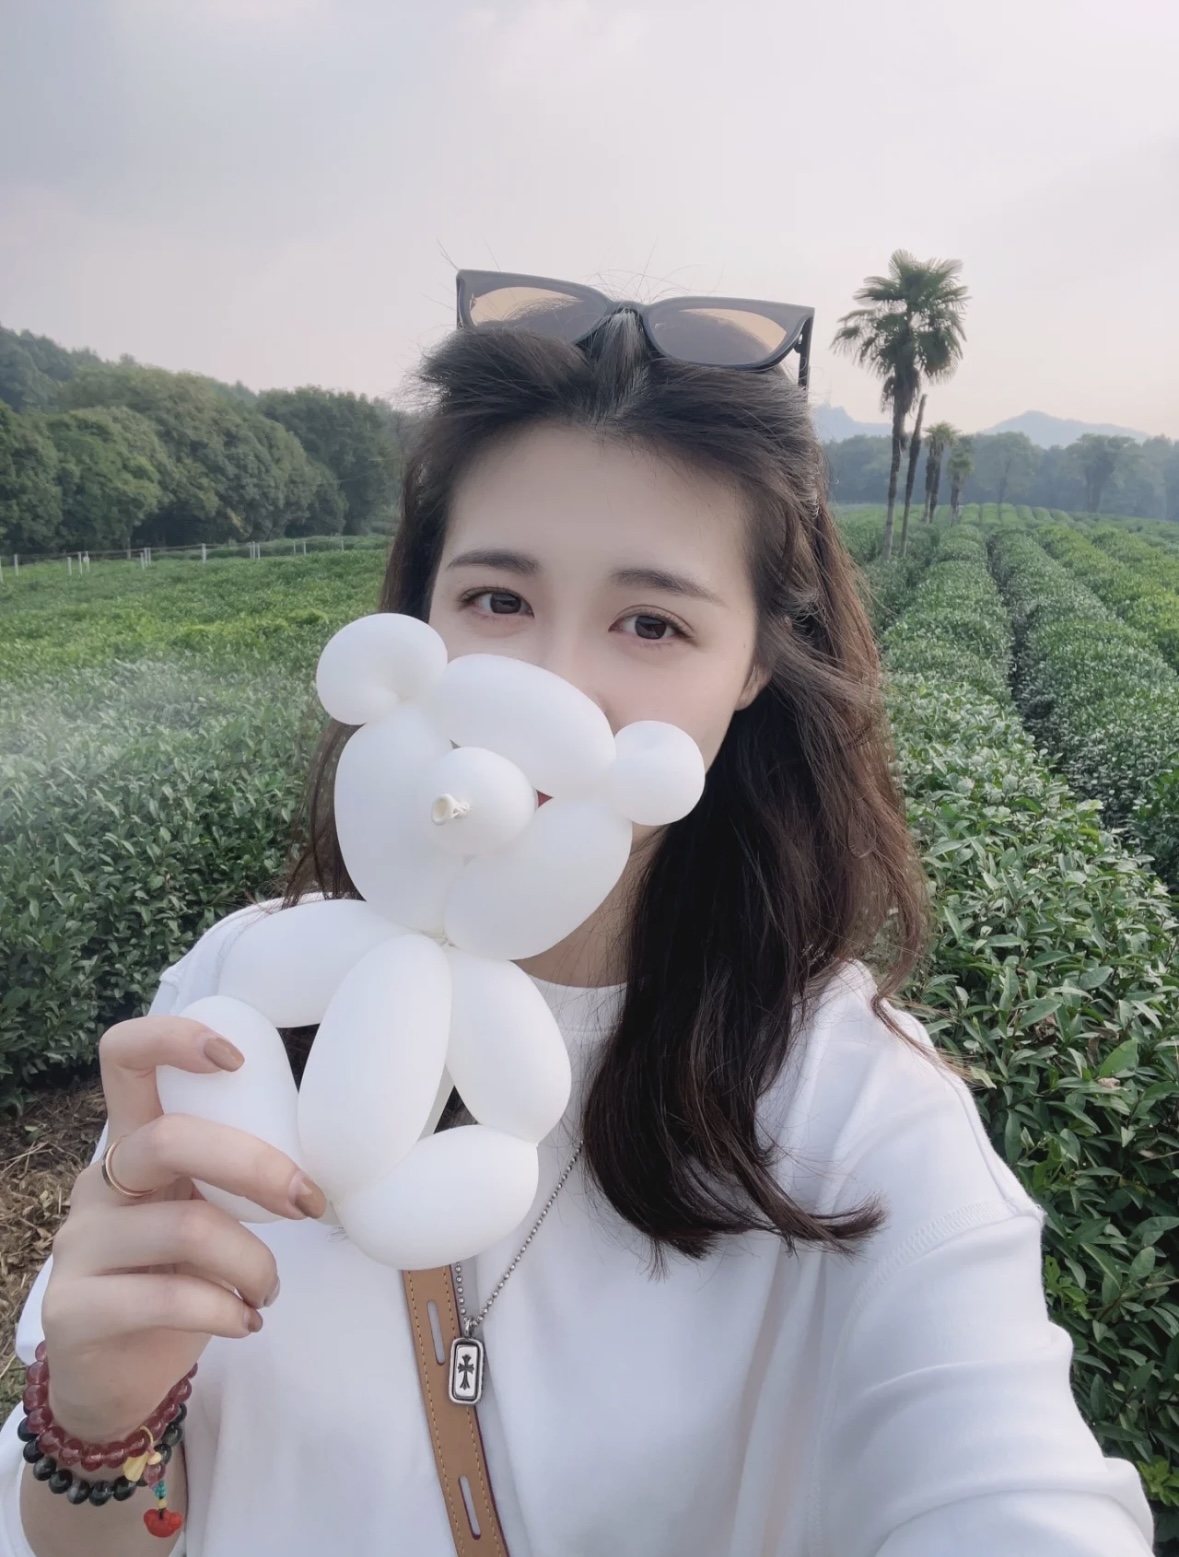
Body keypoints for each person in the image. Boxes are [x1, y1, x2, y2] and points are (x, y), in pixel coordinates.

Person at [0, 276, 1156, 1556]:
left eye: (651, 623)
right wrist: (94, 1420)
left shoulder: (853, 1110)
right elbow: (87, 1530)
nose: (550, 690)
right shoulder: (241, 993)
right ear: (416, 621)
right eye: (497, 600)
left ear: (754, 666)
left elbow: (1016, 1494)